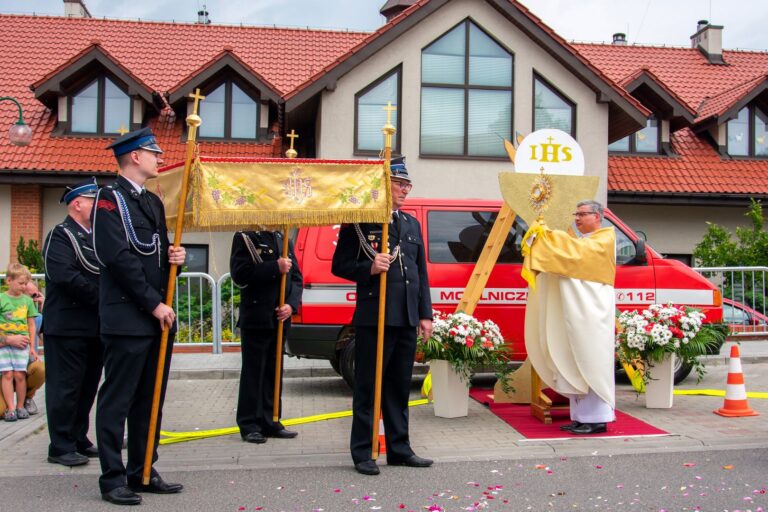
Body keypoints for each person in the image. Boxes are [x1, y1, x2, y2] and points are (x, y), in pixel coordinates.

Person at [92, 127, 186, 505]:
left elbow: (152, 252)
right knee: (118, 399)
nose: (159, 158)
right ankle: (113, 477)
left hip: (155, 318)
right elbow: (119, 259)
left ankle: (144, 469)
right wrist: (154, 303)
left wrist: (173, 258)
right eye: (153, 152)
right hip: (128, 318)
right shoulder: (108, 200)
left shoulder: (151, 201)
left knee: (150, 400)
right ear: (134, 156)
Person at [331, 156, 434, 476]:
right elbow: (340, 265)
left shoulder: (410, 223)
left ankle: (400, 449)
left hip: (404, 318)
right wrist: (370, 268)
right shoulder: (361, 221)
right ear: (383, 184)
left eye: (407, 184)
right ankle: (363, 452)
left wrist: (424, 315)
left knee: (398, 387)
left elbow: (421, 273)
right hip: (375, 316)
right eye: (399, 183)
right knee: (368, 387)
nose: (405, 189)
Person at [522, 199, 616, 435]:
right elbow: (567, 257)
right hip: (579, 313)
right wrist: (544, 237)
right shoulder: (582, 241)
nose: (577, 218)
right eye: (576, 214)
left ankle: (598, 419)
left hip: (593, 314)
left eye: (582, 214)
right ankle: (581, 417)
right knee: (574, 357)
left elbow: (574, 255)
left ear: (597, 216)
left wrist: (549, 236)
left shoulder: (604, 239)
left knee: (590, 359)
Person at [42, 178, 104, 467]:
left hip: (92, 325)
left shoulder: (96, 236)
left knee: (87, 385)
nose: (99, 206)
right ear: (77, 204)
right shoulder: (61, 235)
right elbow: (67, 277)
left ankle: (79, 437)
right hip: (66, 326)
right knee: (65, 387)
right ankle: (60, 445)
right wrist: (102, 298)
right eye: (93, 201)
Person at [229, 230, 303, 444]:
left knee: (273, 371)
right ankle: (249, 423)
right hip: (257, 315)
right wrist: (274, 267)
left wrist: (291, 304)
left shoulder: (282, 237)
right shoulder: (245, 237)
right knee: (254, 372)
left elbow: (296, 277)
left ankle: (271, 420)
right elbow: (240, 274)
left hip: (280, 317)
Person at [0, 263, 40, 422]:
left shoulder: (27, 301)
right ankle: (10, 408)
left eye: (26, 283)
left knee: (20, 374)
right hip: (4, 344)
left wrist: (32, 347)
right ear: (9, 281)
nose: (24, 287)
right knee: (7, 374)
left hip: (22, 343)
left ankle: (21, 405)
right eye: (20, 283)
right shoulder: (2, 298)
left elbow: (31, 324)